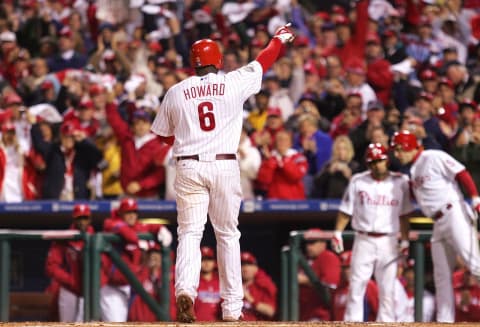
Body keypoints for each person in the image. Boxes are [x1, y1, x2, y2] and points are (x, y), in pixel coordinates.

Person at [150, 25, 296, 322]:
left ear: (194, 62)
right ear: (218, 60)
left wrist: (188, 134)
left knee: (189, 234)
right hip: (224, 164)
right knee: (227, 235)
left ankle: (186, 293)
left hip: (189, 164)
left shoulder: (176, 91)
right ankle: (232, 310)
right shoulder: (232, 82)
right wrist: (278, 39)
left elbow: (163, 137)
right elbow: (264, 60)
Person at [390, 130, 480, 322]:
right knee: (441, 275)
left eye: (398, 150)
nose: (396, 155)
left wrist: (475, 198)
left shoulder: (433, 156)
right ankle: (444, 322)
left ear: (407, 146)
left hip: (454, 213)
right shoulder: (413, 170)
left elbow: (461, 172)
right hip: (438, 222)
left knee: (475, 264)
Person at [332, 143, 414, 322]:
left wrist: (405, 240)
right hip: (363, 238)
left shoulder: (400, 181)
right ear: (368, 164)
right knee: (356, 285)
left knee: (387, 288)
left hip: (389, 240)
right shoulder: (358, 180)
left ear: (387, 160)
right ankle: (352, 322)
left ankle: (386, 322)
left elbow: (405, 215)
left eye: (381, 160)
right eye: (374, 161)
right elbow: (346, 209)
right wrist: (338, 232)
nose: (378, 165)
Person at [100, 197, 172, 322]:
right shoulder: (111, 223)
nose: (131, 215)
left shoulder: (137, 227)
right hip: (112, 288)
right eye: (128, 212)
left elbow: (148, 226)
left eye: (134, 212)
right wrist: (138, 242)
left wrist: (160, 228)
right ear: (121, 213)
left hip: (129, 287)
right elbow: (122, 229)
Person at [45, 204, 94, 322]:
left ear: (90, 219)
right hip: (69, 289)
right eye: (79, 218)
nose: (82, 222)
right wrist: (70, 280)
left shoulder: (95, 239)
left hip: (89, 290)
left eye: (85, 218)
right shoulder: (64, 238)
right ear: (74, 219)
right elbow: (51, 267)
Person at [298, 228, 341, 321]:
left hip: (322, 315)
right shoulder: (305, 259)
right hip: (305, 314)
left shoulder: (328, 258)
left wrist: (305, 280)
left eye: (312, 243)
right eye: (307, 243)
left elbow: (331, 287)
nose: (308, 247)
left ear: (323, 243)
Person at [332, 251, 378, 321]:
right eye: (344, 267)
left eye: (349, 267)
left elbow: (378, 310)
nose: (346, 271)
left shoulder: (368, 285)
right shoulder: (339, 288)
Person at [240, 251, 277, 321]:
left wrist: (249, 298)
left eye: (249, 264)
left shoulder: (263, 286)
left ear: (256, 268)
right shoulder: (230, 287)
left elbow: (270, 312)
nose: (245, 268)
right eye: (242, 264)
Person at [194, 246, 221, 321]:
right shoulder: (192, 281)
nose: (206, 263)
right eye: (203, 259)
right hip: (197, 324)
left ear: (214, 262)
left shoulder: (221, 281)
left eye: (209, 259)